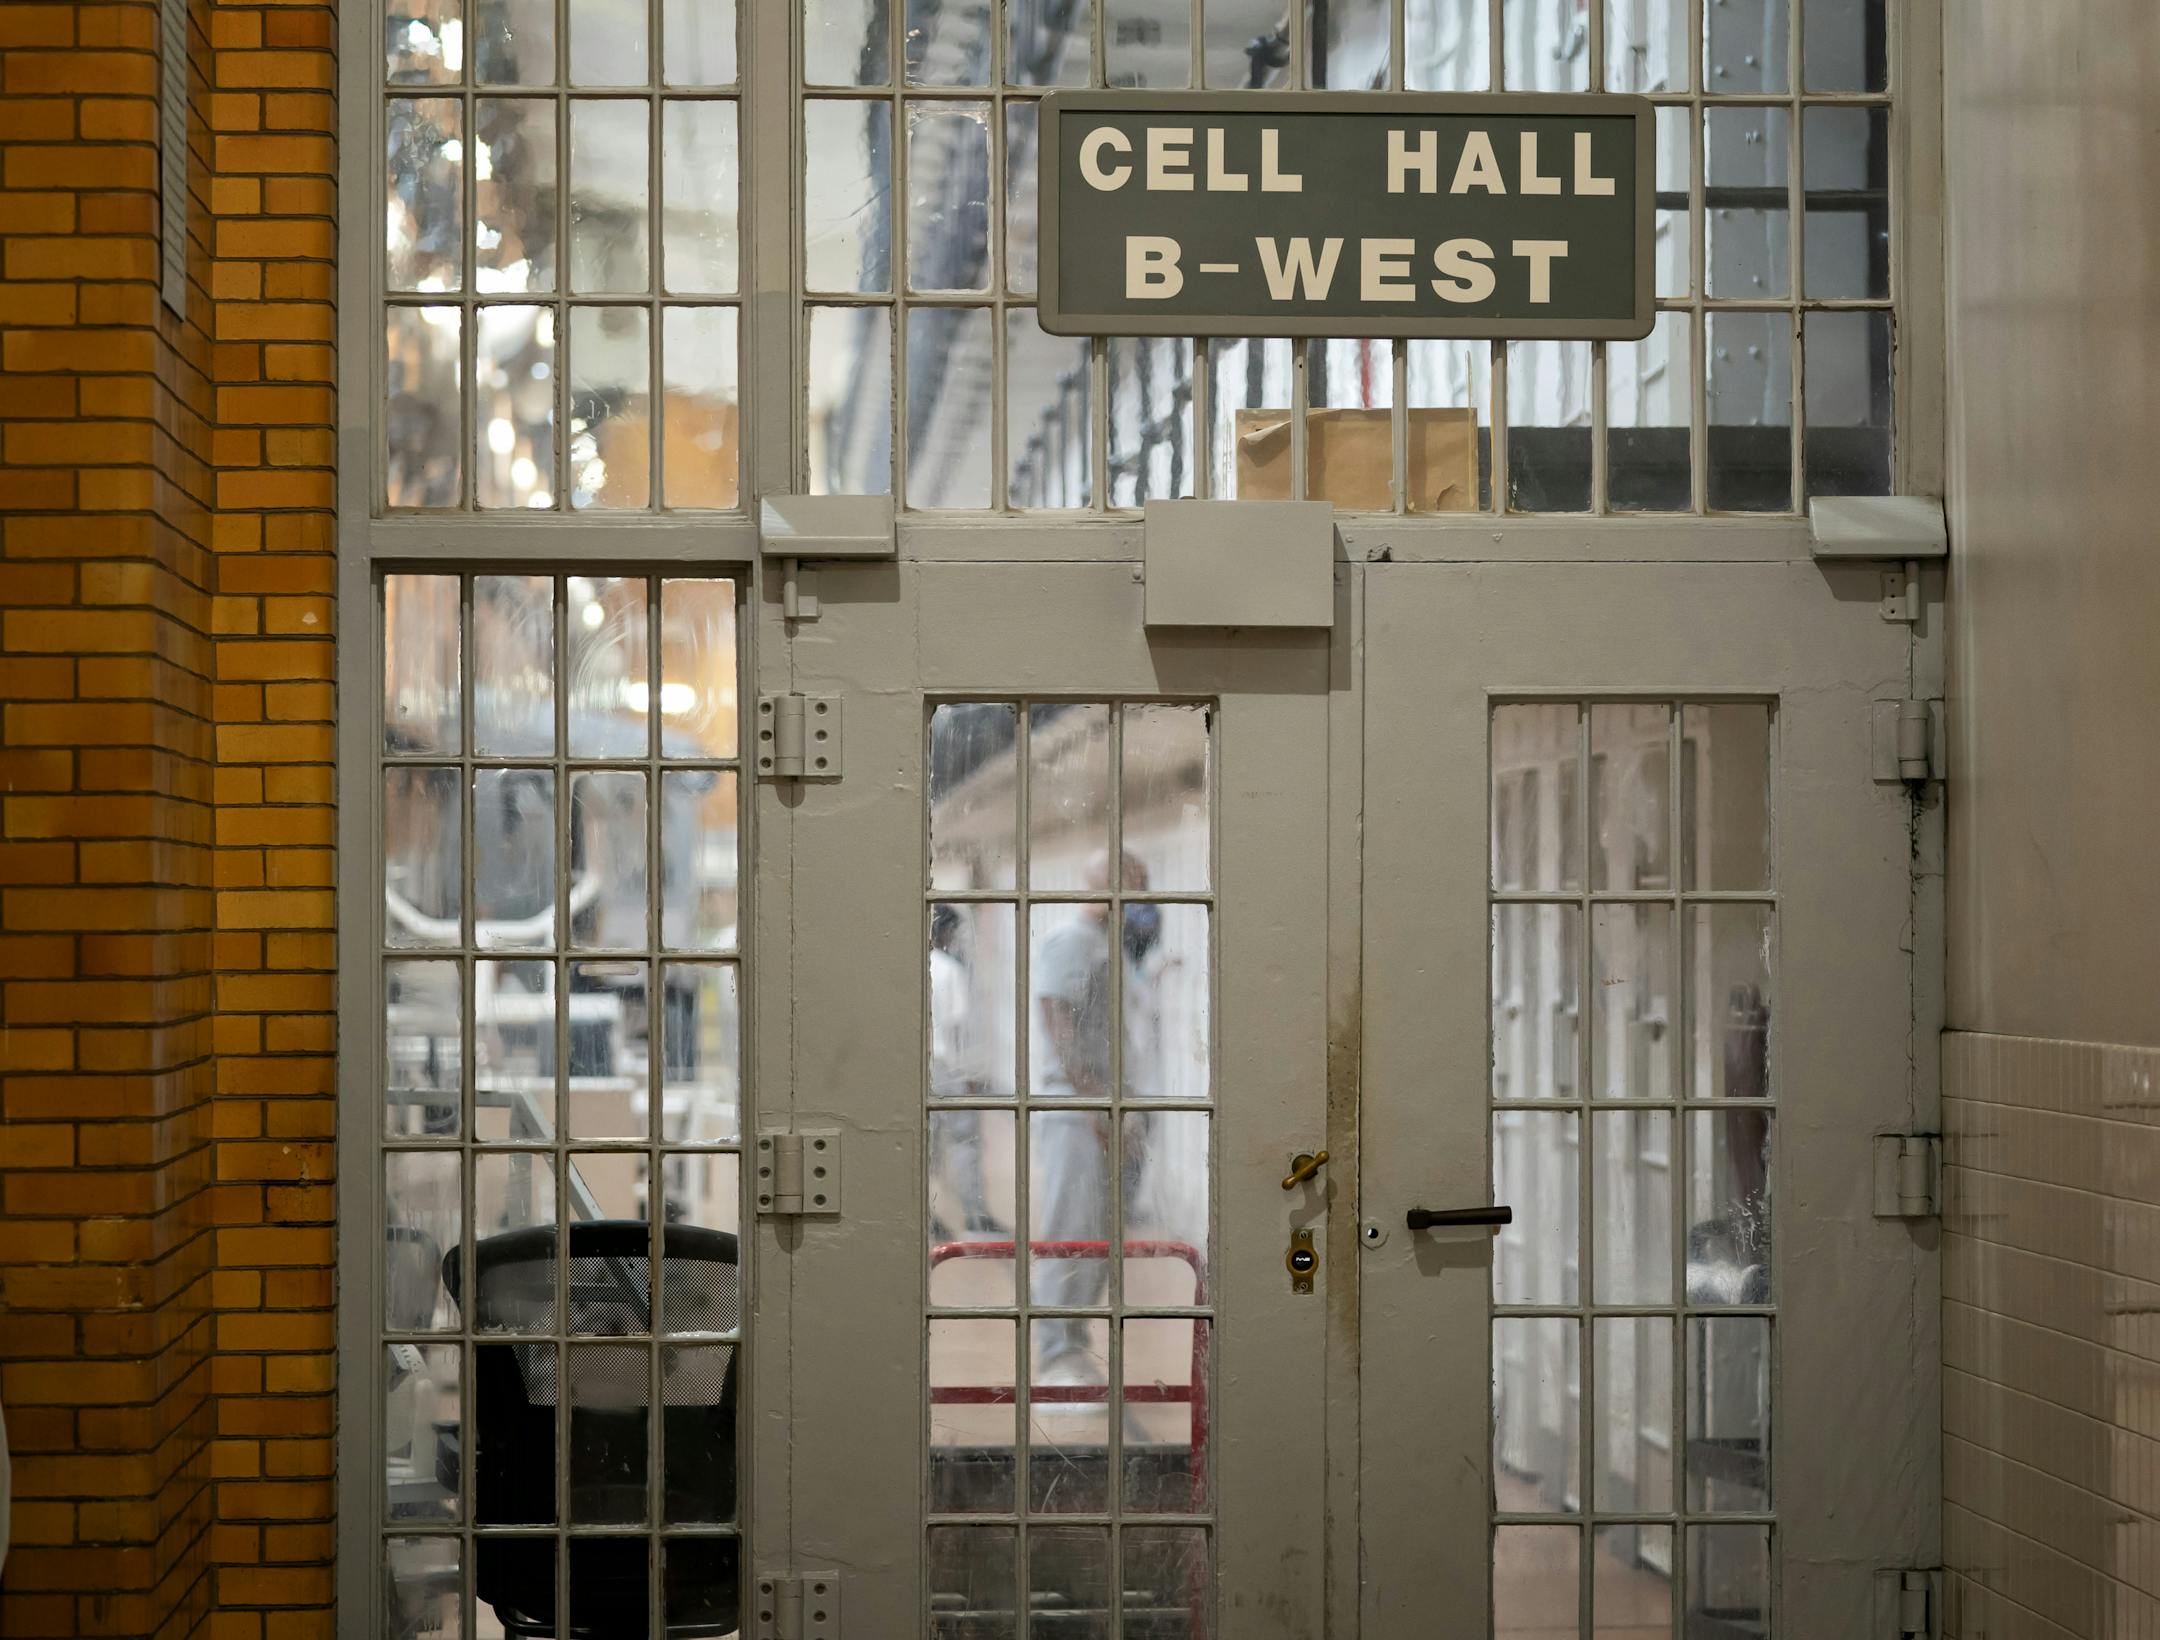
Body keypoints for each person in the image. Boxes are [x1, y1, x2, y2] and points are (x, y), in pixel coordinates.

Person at [1029, 852, 1165, 1399]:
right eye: (1141, 882)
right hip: (1079, 1115)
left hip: (1106, 1113)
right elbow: (1056, 1016)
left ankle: (1074, 1348)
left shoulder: (1106, 944)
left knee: (1096, 1238)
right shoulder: (1071, 940)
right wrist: (1094, 1105)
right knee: (1072, 1235)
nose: (1147, 897)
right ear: (1113, 883)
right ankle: (1056, 1358)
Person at [928, 903, 998, 1235]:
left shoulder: (907, 966)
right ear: (943, 931)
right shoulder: (949, 970)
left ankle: (924, 1216)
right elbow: (960, 1032)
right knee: (964, 1142)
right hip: (948, 1070)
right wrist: (970, 1075)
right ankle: (975, 1214)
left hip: (919, 1070)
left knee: (923, 1149)